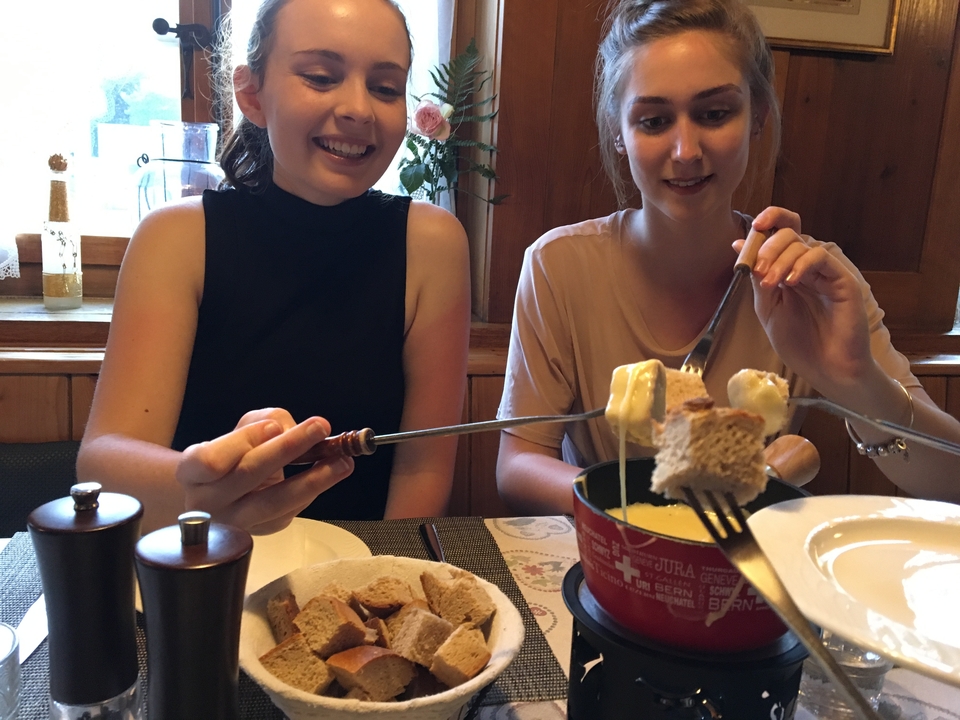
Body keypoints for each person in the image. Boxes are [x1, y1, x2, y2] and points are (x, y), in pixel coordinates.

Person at [496, 0, 960, 515]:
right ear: (618, 134)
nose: (686, 151)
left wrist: (857, 381)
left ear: (757, 116)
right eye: (653, 121)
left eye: (714, 114)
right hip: (611, 554)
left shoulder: (814, 283)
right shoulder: (559, 267)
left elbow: (950, 481)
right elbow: (518, 463)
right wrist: (657, 511)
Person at [77, 0, 471, 534]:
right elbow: (103, 462)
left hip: (360, 580)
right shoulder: (175, 238)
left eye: (385, 88)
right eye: (320, 77)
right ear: (252, 94)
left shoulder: (433, 242)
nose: (359, 108)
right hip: (203, 568)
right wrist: (204, 484)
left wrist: (382, 589)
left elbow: (423, 464)